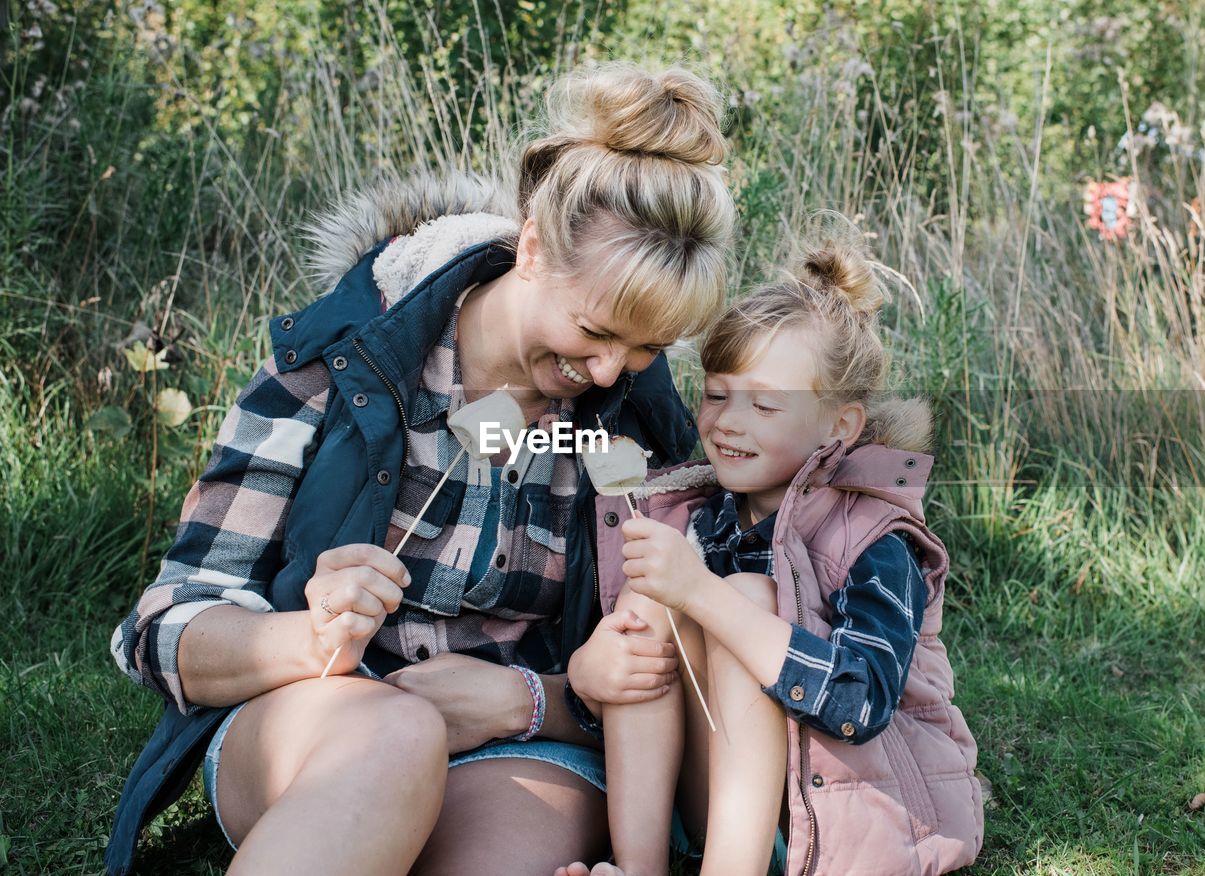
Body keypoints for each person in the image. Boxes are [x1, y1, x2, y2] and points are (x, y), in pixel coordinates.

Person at [105, 63, 737, 875]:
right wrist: (310, 639)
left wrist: (532, 700)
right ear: (534, 249)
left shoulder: (635, 427)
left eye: (647, 348)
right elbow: (160, 629)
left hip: (516, 753)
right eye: (595, 330)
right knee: (395, 732)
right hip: (320, 729)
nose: (615, 373)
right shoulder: (339, 365)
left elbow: (670, 677)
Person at [562, 224, 984, 876]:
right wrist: (603, 658)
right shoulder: (697, 517)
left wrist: (704, 594)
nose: (728, 421)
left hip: (848, 814)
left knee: (740, 594)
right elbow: (652, 667)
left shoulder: (873, 539)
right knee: (652, 591)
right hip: (726, 803)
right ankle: (636, 866)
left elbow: (860, 705)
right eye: (719, 394)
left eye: (764, 404)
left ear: (839, 425)